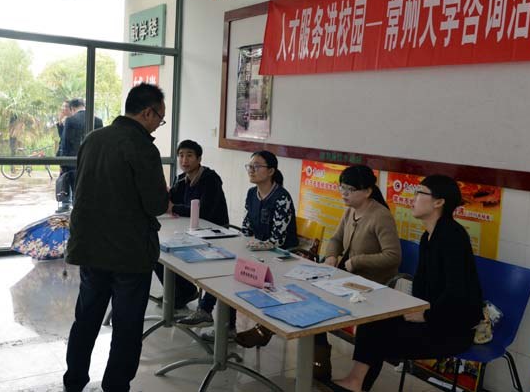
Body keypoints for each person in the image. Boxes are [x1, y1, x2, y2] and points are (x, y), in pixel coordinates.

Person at [330, 175, 483, 392]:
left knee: (378, 333)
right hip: (431, 315)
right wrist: (408, 309)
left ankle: (357, 383)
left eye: (420, 193)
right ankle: (356, 383)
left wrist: (427, 315)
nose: (413, 198)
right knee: (372, 320)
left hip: (452, 328)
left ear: (439, 202)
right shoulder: (428, 236)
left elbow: (457, 292)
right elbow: (423, 285)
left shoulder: (452, 237)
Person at [63, 83, 170, 392]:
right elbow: (156, 204)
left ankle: (74, 381)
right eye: (160, 118)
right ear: (147, 112)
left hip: (89, 247)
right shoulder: (142, 147)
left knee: (86, 319)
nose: (158, 125)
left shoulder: (93, 139)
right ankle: (115, 386)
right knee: (126, 327)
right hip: (129, 253)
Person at [197, 150, 298, 343]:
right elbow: (246, 229)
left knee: (232, 271)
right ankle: (208, 312)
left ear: (271, 171)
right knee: (225, 266)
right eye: (250, 166)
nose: (251, 170)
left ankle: (221, 321)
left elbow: (278, 240)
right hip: (258, 253)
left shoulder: (281, 197)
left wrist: (251, 246)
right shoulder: (252, 193)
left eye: (257, 166)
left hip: (280, 257)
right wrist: (245, 244)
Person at [314, 165, 402, 381]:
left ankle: (353, 378)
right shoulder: (350, 210)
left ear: (368, 191)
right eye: (342, 188)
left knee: (369, 326)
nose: (344, 193)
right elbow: (336, 239)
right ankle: (319, 360)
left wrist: (358, 261)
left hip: (373, 285)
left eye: (350, 189)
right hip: (348, 280)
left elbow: (393, 256)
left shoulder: (380, 216)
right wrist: (331, 256)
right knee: (312, 300)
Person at [154, 139, 230, 311]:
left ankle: (184, 293)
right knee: (156, 255)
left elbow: (202, 211)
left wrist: (174, 208)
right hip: (189, 231)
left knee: (170, 256)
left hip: (213, 234)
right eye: (181, 156)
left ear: (199, 159)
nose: (184, 160)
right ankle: (183, 292)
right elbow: (170, 201)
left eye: (189, 156)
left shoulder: (210, 179)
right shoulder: (182, 178)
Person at [59, 98, 104, 211]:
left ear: (72, 108)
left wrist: (63, 165)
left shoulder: (70, 120)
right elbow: (101, 144)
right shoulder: (98, 121)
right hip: (94, 165)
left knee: (76, 195)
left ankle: (78, 217)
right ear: (84, 106)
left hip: (74, 165)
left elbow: (65, 144)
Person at [55, 100, 72, 212]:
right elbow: (62, 138)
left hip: (69, 154)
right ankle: (65, 202)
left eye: (65, 106)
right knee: (64, 178)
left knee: (68, 177)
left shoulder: (71, 122)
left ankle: (66, 203)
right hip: (63, 153)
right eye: (62, 107)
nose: (63, 109)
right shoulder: (64, 121)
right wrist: (60, 123)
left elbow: (65, 140)